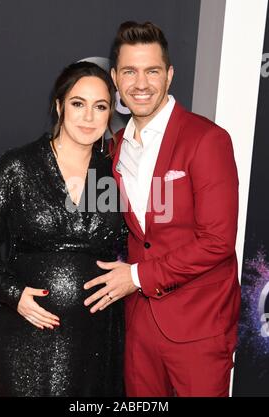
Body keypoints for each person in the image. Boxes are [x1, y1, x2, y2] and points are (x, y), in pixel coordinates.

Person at [84, 21, 241, 397]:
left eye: (152, 71)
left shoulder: (206, 140)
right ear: (115, 78)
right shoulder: (114, 148)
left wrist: (136, 277)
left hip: (199, 326)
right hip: (139, 327)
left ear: (169, 75)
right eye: (130, 71)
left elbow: (217, 241)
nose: (141, 84)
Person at [0, 61, 126, 397]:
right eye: (78, 104)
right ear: (59, 106)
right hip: (24, 337)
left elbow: (133, 245)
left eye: (100, 107)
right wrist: (13, 295)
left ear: (110, 113)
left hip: (94, 338)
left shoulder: (113, 176)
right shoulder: (18, 167)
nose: (88, 117)